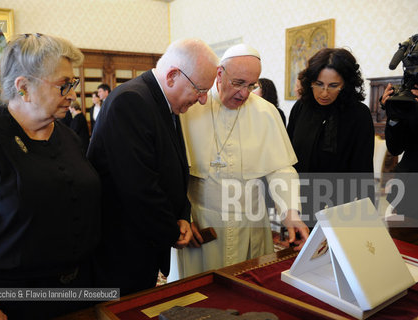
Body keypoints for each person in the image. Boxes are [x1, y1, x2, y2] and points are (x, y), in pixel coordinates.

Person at [0, 33, 102, 320]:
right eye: (64, 85)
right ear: (24, 87)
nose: (73, 94)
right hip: (3, 305)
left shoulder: (69, 136)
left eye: (72, 83)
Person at [87, 38, 219, 295]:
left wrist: (182, 214)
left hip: (142, 240)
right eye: (200, 90)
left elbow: (176, 167)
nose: (203, 100)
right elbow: (138, 187)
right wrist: (172, 230)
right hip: (122, 247)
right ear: (172, 76)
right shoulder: (132, 101)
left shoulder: (162, 100)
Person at [177, 44, 309, 278]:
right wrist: (181, 216)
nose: (244, 93)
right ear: (219, 74)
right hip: (202, 224)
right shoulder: (191, 108)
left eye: (251, 85)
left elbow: (281, 169)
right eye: (238, 83)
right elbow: (174, 172)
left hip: (250, 227)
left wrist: (291, 214)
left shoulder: (265, 113)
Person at [287, 48, 375, 223]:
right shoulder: (301, 108)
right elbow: (287, 157)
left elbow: (362, 172)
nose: (324, 93)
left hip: (340, 209)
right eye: (318, 84)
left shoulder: (359, 114)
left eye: (333, 86)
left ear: (346, 84)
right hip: (300, 203)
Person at [381, 83, 418, 241]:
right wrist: (394, 115)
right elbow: (395, 148)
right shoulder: (408, 97)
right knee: (402, 254)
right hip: (409, 196)